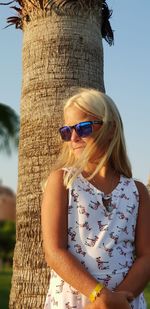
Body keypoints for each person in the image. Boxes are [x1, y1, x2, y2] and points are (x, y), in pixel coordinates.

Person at [41, 88, 150, 309]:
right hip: (75, 300)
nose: (73, 138)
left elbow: (146, 255)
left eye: (83, 128)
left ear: (110, 129)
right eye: (66, 131)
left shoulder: (137, 191)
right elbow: (54, 251)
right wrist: (99, 296)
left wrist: (117, 300)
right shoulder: (62, 182)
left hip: (124, 302)